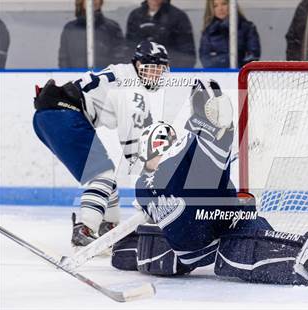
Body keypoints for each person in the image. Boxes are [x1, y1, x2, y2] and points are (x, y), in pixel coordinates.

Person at [111, 79, 308, 285]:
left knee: (245, 215)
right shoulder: (172, 167)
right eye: (161, 143)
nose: (166, 146)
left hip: (189, 244)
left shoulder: (142, 186)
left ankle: (125, 249)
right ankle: (293, 255)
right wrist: (210, 125)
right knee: (244, 220)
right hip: (205, 226)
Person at [33, 41, 169, 248]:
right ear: (138, 64)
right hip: (64, 117)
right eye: (151, 68)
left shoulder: (122, 73)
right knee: (101, 175)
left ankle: (110, 228)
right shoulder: (132, 89)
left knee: (105, 179)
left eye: (160, 70)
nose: (155, 74)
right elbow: (132, 146)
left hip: (47, 117)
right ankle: (85, 228)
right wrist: (150, 173)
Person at [126, 0, 196, 68]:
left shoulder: (178, 17)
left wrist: (170, 71)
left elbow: (187, 54)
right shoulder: (135, 16)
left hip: (170, 73)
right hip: (140, 72)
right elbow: (129, 48)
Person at [59, 0, 125, 69]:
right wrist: (69, 76)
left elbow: (119, 58)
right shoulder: (70, 29)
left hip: (104, 77)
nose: (93, 1)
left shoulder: (112, 28)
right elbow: (64, 59)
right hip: (76, 77)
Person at [199, 0, 260, 68]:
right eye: (215, 6)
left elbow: (253, 55)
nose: (220, 8)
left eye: (224, 4)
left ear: (231, 5)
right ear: (211, 9)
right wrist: (227, 61)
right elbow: (205, 59)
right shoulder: (208, 32)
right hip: (217, 76)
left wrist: (237, 67)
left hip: (241, 75)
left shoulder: (247, 28)